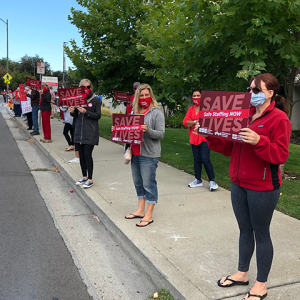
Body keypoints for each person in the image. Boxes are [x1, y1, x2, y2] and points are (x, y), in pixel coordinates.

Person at [198, 74, 291, 300]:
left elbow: (280, 154)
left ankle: (261, 283)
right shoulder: (243, 115)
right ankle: (242, 273)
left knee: (261, 233)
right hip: (238, 183)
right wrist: (210, 135)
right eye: (250, 90)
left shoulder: (279, 119)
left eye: (257, 91)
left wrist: (259, 141)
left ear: (270, 93)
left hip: (263, 186)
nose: (252, 94)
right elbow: (229, 148)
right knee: (244, 230)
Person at [124, 83, 165, 227]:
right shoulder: (134, 112)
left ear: (151, 95)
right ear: (137, 97)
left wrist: (148, 130)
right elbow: (127, 131)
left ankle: (149, 214)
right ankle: (140, 210)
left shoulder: (156, 112)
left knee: (149, 183)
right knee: (138, 183)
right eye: (141, 95)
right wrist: (118, 130)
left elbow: (161, 134)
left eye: (147, 95)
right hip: (135, 152)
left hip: (149, 154)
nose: (144, 98)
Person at [183, 88, 218, 191]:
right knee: (196, 159)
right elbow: (185, 122)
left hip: (204, 138)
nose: (196, 98)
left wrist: (193, 121)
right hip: (194, 137)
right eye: (194, 96)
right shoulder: (191, 109)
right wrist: (195, 122)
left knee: (205, 159)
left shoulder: (207, 109)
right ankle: (198, 180)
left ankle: (212, 181)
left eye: (198, 96)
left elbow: (209, 122)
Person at [69, 79, 101, 188]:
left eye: (88, 87)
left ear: (91, 88)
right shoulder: (77, 100)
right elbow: (76, 116)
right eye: (84, 87)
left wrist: (86, 111)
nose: (86, 89)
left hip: (90, 132)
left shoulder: (96, 100)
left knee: (87, 155)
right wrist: (72, 111)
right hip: (79, 132)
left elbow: (98, 115)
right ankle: (84, 176)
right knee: (81, 156)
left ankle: (90, 179)